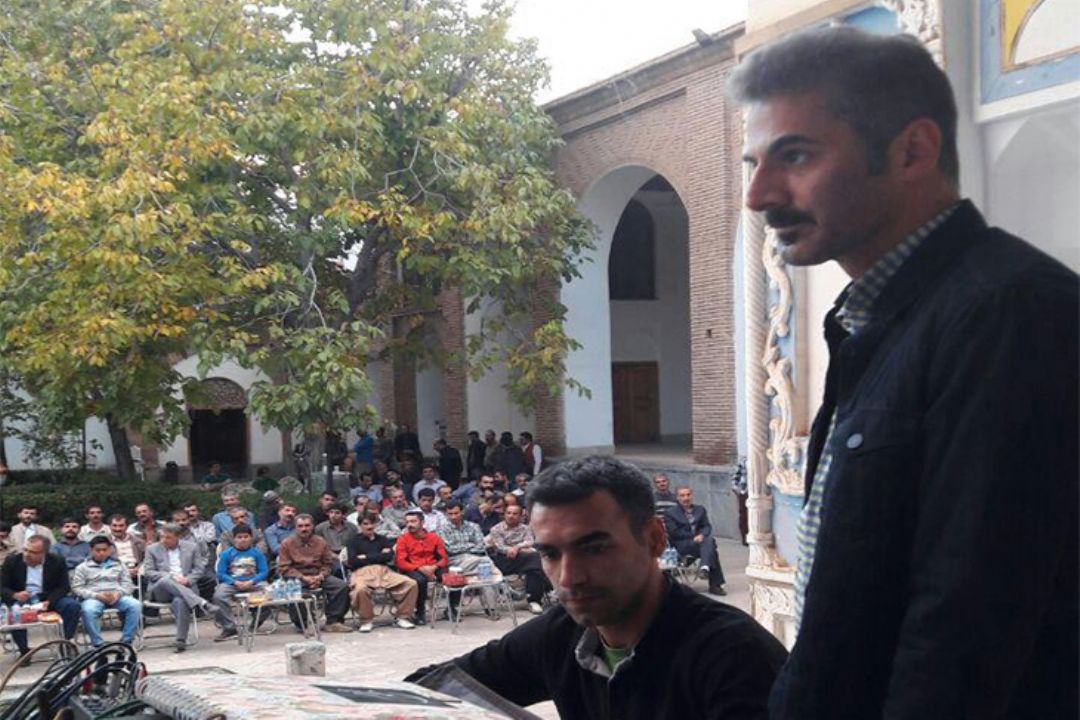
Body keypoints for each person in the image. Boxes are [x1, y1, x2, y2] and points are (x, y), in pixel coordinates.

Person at [731, 27, 1078, 718]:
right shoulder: (878, 319)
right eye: (753, 163)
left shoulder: (1009, 313)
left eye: (795, 156)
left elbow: (966, 628)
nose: (759, 194)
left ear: (912, 150)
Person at [407, 456, 786, 718]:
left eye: (594, 548)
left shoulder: (734, 656)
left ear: (654, 538)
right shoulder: (561, 634)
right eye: (550, 553)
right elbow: (427, 692)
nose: (569, 577)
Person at [143, 524, 229, 652]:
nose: (163, 540)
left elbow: (199, 569)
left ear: (178, 537)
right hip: (161, 590)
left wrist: (188, 580)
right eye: (161, 537)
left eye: (168, 537)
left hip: (185, 587)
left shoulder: (192, 547)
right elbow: (148, 572)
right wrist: (172, 577)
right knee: (166, 580)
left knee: (180, 601)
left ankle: (180, 640)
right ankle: (202, 603)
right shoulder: (152, 549)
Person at [0, 535, 81, 654]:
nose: (27, 554)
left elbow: (63, 587)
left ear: (44, 553)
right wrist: (15, 595)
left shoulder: (57, 561)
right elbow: (2, 587)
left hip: (47, 598)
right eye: (25, 549)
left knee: (72, 606)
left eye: (32, 552)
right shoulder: (12, 561)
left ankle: (64, 642)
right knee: (14, 611)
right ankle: (24, 651)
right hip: (21, 599)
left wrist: (50, 601)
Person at [277, 514, 351, 633]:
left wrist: (320, 576)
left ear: (313, 526)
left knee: (341, 586)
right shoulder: (286, 543)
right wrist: (303, 578)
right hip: (296, 577)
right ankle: (304, 624)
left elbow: (328, 563)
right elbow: (284, 568)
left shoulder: (321, 541)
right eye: (300, 526)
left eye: (307, 525)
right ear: (295, 527)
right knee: (297, 592)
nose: (304, 529)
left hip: (318, 574)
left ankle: (333, 621)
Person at [344, 515, 418, 633]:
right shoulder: (353, 541)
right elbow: (353, 561)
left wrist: (365, 556)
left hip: (383, 570)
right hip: (362, 571)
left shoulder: (382, 539)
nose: (369, 526)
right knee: (360, 589)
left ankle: (402, 617)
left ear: (376, 525)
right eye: (365, 524)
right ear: (360, 525)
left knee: (410, 583)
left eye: (372, 524)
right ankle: (366, 620)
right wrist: (378, 555)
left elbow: (389, 556)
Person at [70, 536, 141, 648]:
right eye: (98, 550)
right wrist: (96, 595)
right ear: (91, 550)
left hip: (116, 595)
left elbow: (128, 584)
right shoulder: (82, 567)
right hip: (94, 597)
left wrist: (119, 594)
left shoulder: (118, 565)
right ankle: (98, 644)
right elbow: (77, 588)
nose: (101, 553)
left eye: (104, 550)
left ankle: (126, 641)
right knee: (88, 610)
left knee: (135, 605)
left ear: (110, 550)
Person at [486, 505, 549, 614]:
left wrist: (517, 548)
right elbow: (500, 547)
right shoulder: (496, 529)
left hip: (525, 559)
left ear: (520, 516)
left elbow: (530, 541)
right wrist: (519, 549)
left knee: (534, 569)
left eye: (515, 514)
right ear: (504, 515)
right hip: (504, 560)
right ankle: (544, 591)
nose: (511, 516)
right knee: (535, 558)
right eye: (509, 513)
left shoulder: (526, 528)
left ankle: (534, 601)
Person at [211, 523, 269, 642]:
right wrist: (234, 582)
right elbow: (220, 573)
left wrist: (252, 581)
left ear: (251, 538)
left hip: (253, 582)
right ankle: (229, 627)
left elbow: (264, 571)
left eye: (246, 537)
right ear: (234, 539)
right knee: (218, 596)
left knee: (270, 593)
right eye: (239, 537)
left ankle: (256, 622)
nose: (243, 540)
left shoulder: (257, 553)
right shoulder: (226, 554)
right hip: (232, 583)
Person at [663, 487, 726, 596]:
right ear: (677, 497)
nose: (686, 498)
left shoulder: (700, 510)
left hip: (698, 544)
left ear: (692, 496)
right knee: (711, 548)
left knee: (709, 543)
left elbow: (706, 526)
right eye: (682, 495)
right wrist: (695, 536)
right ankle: (714, 582)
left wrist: (702, 535)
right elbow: (674, 532)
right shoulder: (670, 513)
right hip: (680, 546)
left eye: (688, 495)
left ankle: (705, 569)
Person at [441, 501, 497, 613]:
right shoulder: (442, 529)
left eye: (456, 513)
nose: (453, 517)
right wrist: (471, 546)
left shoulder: (473, 526)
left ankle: (490, 606)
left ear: (462, 512)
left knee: (484, 565)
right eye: (450, 514)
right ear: (446, 514)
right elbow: (450, 549)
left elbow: (481, 546)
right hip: (455, 561)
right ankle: (491, 606)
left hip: (475, 558)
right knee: (486, 564)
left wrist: (464, 548)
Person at [394, 510, 448, 626]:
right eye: (407, 522)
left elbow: (444, 558)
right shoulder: (403, 539)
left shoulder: (434, 538)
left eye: (413, 521)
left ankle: (452, 608)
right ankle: (420, 612)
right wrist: (420, 568)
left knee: (449, 577)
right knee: (420, 580)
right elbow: (400, 562)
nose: (409, 525)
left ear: (422, 523)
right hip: (412, 568)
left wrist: (434, 567)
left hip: (433, 566)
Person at [106, 515, 144, 583]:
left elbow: (146, 558)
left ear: (127, 527)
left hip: (137, 572)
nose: (118, 529)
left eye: (121, 526)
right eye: (114, 525)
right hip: (114, 573)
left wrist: (139, 568)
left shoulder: (138, 541)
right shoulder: (104, 542)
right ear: (110, 526)